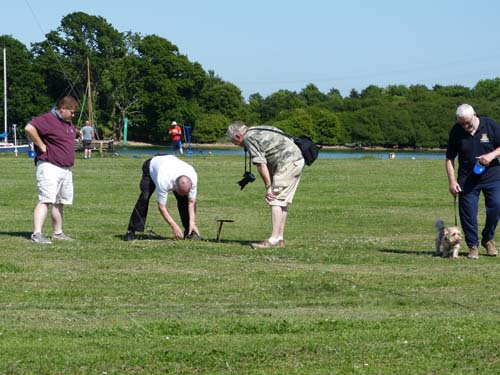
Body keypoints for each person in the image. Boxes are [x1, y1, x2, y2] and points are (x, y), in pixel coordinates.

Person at [226, 122, 305, 249]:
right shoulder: (257, 129)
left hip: (287, 163)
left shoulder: (248, 137)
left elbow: (260, 164)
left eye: (233, 142)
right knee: (282, 202)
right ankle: (279, 239)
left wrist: (268, 187)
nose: (236, 144)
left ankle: (272, 240)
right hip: (297, 160)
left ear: (237, 136)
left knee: (275, 200)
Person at [446, 103, 500, 259]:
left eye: (467, 122)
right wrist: (452, 181)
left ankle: (488, 239)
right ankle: (472, 246)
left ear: (475, 115)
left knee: (496, 207)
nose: (465, 126)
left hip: (493, 176)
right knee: (468, 214)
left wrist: (490, 156)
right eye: (462, 123)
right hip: (467, 179)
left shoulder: (490, 125)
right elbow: (449, 158)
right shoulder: (456, 131)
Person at [25, 96, 79, 244]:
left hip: (65, 168)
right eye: (72, 112)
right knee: (46, 200)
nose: (73, 115)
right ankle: (37, 234)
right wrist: (41, 145)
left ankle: (58, 233)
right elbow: (29, 128)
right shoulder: (48, 119)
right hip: (49, 166)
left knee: (60, 202)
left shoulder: (67, 122)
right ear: (62, 109)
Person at [124, 155, 200, 241]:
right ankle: (131, 231)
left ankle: (189, 231)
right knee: (144, 197)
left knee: (183, 200)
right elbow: (161, 207)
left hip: (168, 161)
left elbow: (192, 202)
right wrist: (174, 226)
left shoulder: (192, 177)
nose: (183, 195)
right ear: (175, 186)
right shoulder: (164, 180)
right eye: (181, 192)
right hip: (151, 167)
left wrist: (193, 222)